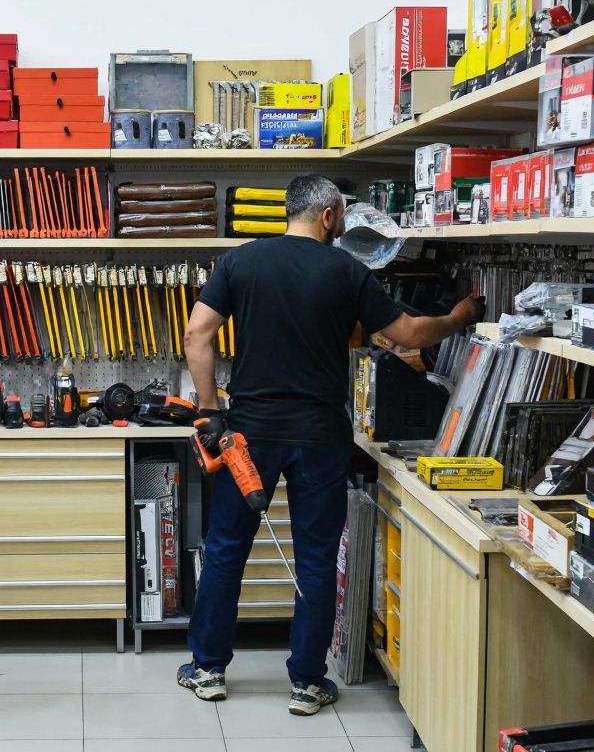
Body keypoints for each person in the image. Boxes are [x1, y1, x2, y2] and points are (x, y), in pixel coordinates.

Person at [175, 173, 481, 715]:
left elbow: (198, 335)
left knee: (225, 551)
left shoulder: (240, 262)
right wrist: (457, 319)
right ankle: (307, 683)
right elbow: (406, 336)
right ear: (330, 217)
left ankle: (208, 670)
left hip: (249, 433)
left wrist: (209, 410)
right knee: (316, 559)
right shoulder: (347, 270)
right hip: (319, 435)